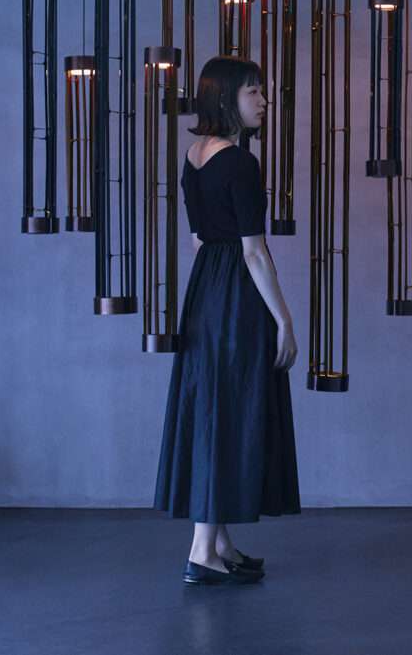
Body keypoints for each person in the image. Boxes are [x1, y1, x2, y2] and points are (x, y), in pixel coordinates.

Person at [154, 55, 301, 586]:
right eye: (253, 93)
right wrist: (283, 320)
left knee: (213, 409)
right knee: (231, 411)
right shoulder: (240, 162)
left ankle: (217, 543)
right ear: (225, 99)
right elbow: (255, 252)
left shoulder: (193, 156)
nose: (263, 101)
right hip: (237, 292)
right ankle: (201, 551)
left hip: (206, 291)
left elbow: (198, 239)